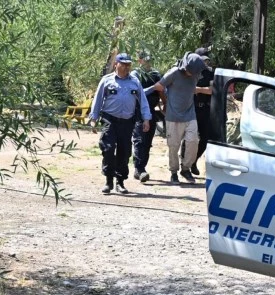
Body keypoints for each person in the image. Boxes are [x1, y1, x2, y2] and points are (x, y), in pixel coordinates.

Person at [88, 53, 151, 194]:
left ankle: (120, 182)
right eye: (123, 64)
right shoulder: (106, 80)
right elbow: (98, 100)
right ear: (116, 64)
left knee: (124, 151)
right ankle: (108, 181)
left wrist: (146, 119)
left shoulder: (134, 81)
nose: (126, 67)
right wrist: (93, 119)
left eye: (128, 64)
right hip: (109, 120)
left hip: (128, 122)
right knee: (108, 149)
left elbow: (143, 102)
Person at [146, 52, 206, 184]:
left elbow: (192, 87)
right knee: (173, 146)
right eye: (189, 71)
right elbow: (159, 86)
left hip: (190, 114)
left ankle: (186, 169)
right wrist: (163, 101)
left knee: (193, 142)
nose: (191, 74)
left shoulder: (197, 73)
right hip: (173, 116)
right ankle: (174, 172)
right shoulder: (174, 73)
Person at [130, 51, 166, 183]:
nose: (148, 62)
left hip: (151, 110)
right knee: (139, 139)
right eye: (145, 60)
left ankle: (141, 167)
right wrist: (153, 87)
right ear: (139, 61)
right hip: (137, 111)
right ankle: (139, 169)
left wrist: (165, 104)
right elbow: (138, 93)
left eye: (150, 60)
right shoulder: (135, 75)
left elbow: (161, 90)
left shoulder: (155, 74)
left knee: (148, 141)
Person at [181, 48, 213, 175]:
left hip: (205, 108)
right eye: (203, 60)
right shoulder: (189, 71)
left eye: (207, 60)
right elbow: (187, 89)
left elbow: (211, 90)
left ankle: (193, 162)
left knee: (205, 139)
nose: (205, 63)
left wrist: (198, 89)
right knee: (189, 137)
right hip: (191, 108)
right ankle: (184, 164)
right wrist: (202, 89)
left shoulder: (210, 73)